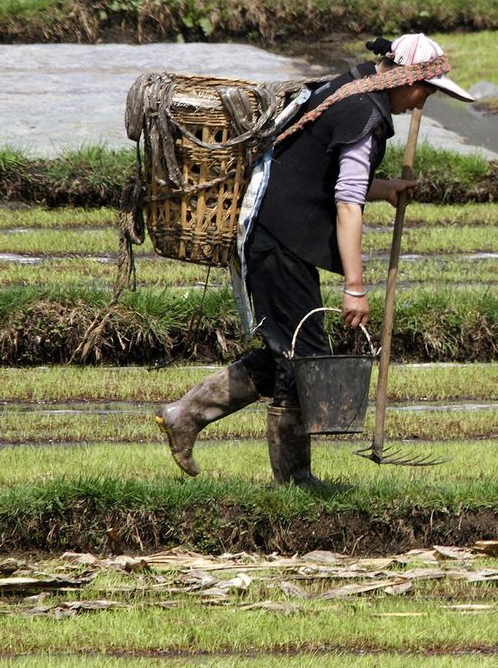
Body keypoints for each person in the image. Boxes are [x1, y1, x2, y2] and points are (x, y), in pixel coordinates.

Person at [155, 33, 475, 486]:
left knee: (291, 352)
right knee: (301, 358)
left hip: (274, 232)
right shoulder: (364, 114)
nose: (424, 99)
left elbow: (322, 175)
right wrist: (355, 287)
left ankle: (186, 414)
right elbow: (346, 203)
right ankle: (294, 479)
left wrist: (385, 189)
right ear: (405, 79)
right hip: (276, 240)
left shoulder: (350, 88)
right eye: (427, 88)